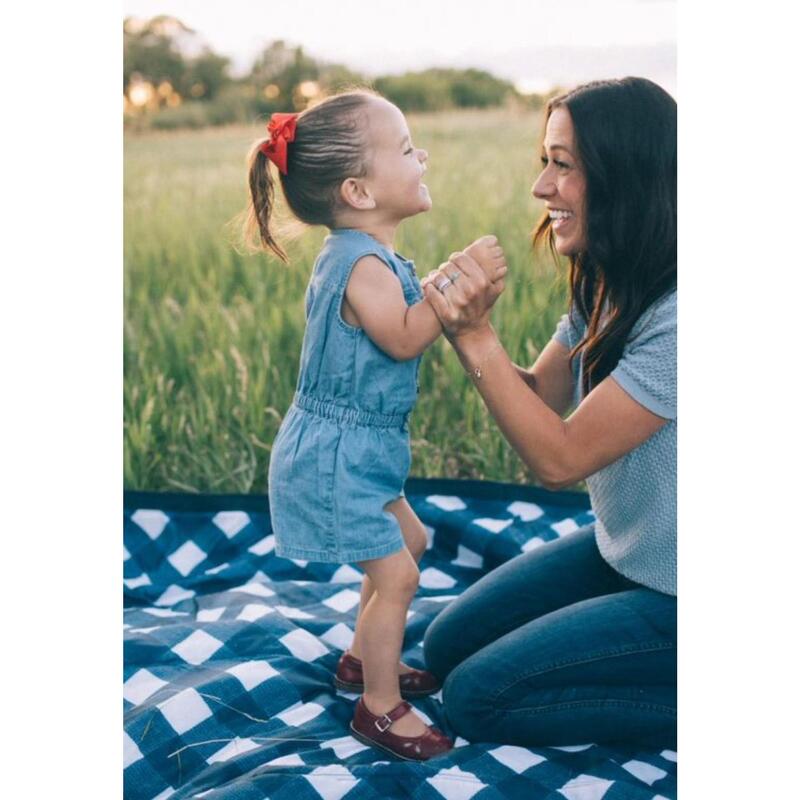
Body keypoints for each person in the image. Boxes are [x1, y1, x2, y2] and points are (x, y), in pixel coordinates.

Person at [245, 90, 507, 761]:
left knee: (409, 539)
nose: (420, 155)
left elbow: (401, 322)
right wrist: (460, 284)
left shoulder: (366, 256)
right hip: (335, 455)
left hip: (361, 448)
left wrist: (442, 284)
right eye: (404, 147)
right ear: (359, 191)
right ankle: (380, 707)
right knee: (398, 576)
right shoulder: (357, 262)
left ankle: (365, 660)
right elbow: (402, 337)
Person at [420, 77, 677, 749]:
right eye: (546, 160)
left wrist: (476, 337)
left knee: (479, 700)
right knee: (444, 647)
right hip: (631, 554)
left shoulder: (685, 318)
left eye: (563, 165)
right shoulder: (610, 277)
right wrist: (465, 327)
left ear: (626, 176)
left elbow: (559, 460)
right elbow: (540, 400)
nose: (542, 187)